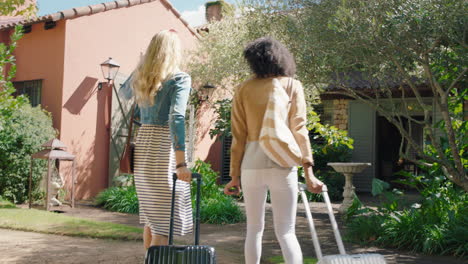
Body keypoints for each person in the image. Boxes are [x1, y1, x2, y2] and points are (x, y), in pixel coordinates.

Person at [224, 36, 324, 264]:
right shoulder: (292, 85)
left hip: (251, 164)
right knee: (286, 231)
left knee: (254, 229)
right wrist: (309, 172)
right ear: (281, 58)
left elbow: (238, 137)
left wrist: (233, 177)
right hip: (283, 161)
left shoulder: (243, 89)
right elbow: (300, 129)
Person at [130, 30, 193, 249]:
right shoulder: (179, 79)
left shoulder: (143, 80)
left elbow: (127, 100)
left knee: (152, 220)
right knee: (164, 224)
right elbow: (176, 117)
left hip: (144, 144)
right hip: (163, 148)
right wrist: (181, 163)